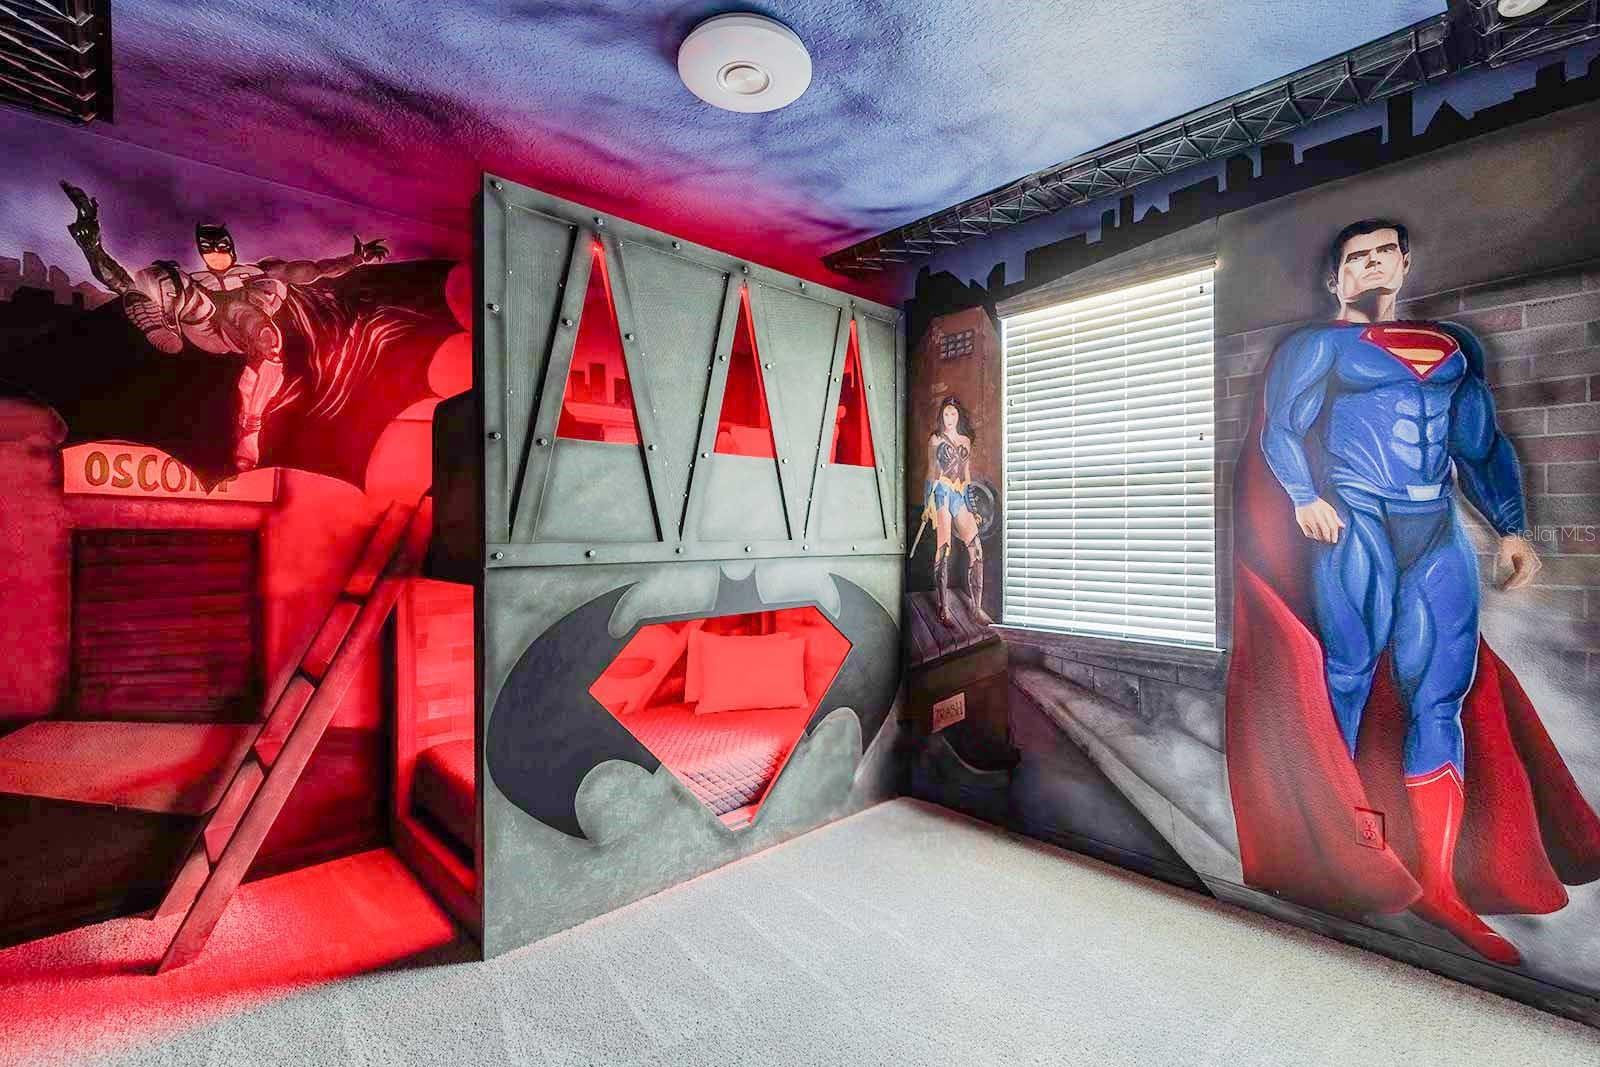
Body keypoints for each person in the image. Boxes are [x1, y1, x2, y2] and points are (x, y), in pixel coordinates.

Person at [1227, 218, 1600, 966]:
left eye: (1382, 253)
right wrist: (1303, 495)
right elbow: (1281, 433)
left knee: (1440, 698)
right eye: (1354, 258)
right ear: (1335, 279)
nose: (1370, 265)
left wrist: (1512, 527)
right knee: (1349, 676)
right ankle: (1344, 858)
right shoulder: (1319, 348)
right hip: (1357, 519)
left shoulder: (1454, 348)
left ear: (1403, 263)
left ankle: (1439, 883)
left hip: (1435, 527)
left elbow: (1480, 445)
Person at [62, 182, 388, 470]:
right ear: (201, 251)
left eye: (221, 246)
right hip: (204, 324)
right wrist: (92, 247)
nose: (216, 253)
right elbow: (125, 284)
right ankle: (161, 325)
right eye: (209, 248)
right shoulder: (196, 280)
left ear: (230, 245)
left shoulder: (259, 272)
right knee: (160, 278)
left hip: (248, 326)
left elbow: (316, 270)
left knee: (263, 310)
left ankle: (251, 425)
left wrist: (355, 259)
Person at [921, 395, 991, 627]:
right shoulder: (935, 439)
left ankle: (976, 608)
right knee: (944, 548)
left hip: (959, 495)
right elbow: (931, 471)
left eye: (953, 414)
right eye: (946, 413)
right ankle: (944, 609)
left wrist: (971, 507)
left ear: (958, 416)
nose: (949, 418)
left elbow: (966, 475)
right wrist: (927, 504)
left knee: (976, 548)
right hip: (941, 492)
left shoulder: (965, 441)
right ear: (941, 415)